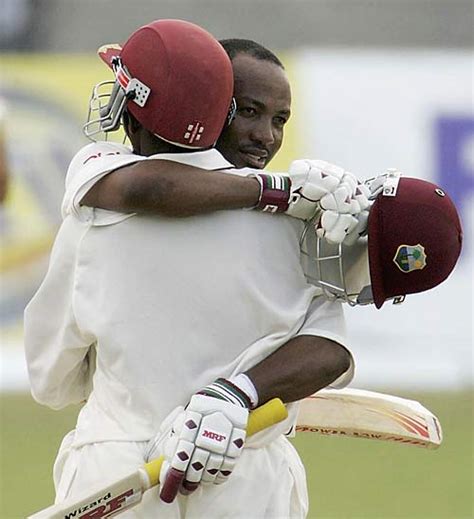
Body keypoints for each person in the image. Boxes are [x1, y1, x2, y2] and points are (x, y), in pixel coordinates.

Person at [24, 20, 360, 518]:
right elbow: (334, 349)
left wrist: (218, 393)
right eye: (248, 110)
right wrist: (241, 396)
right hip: (248, 478)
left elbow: (51, 379)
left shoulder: (94, 216)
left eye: (279, 118)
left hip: (117, 469)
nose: (265, 134)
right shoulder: (295, 222)